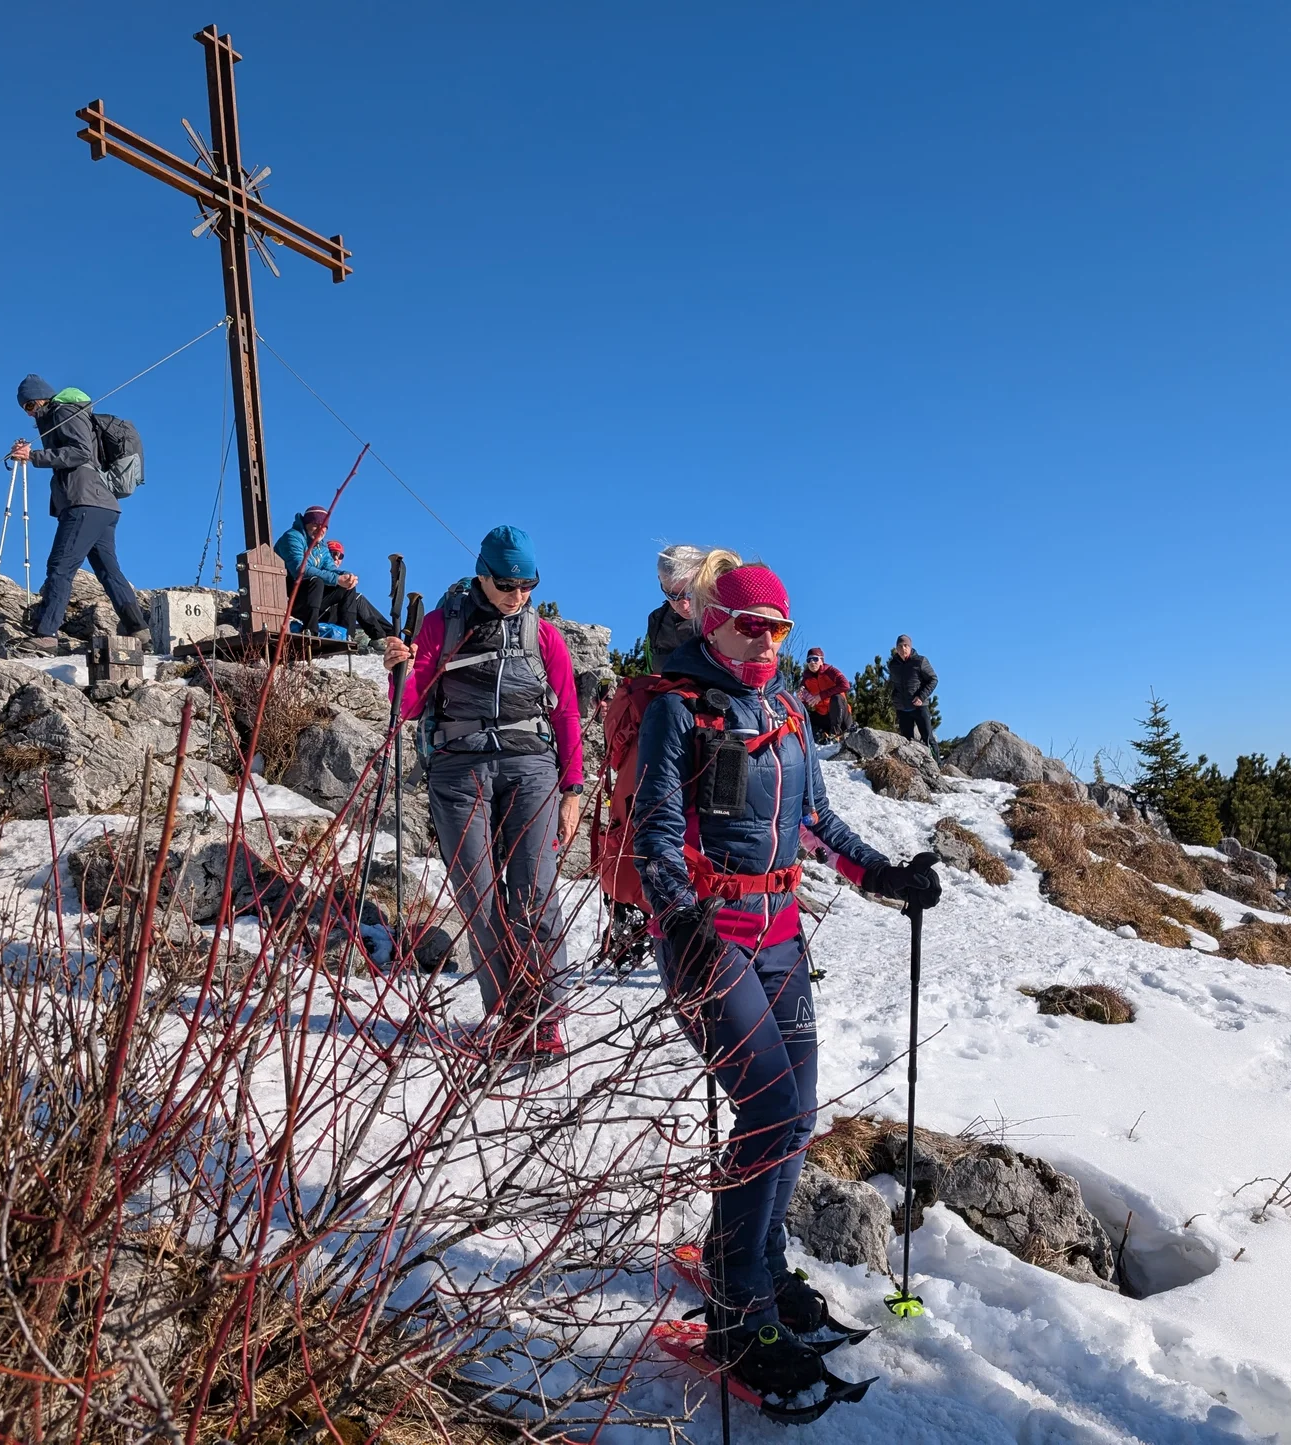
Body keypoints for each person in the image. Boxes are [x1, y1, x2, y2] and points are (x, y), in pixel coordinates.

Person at [630, 549, 941, 1401]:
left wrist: (885, 875)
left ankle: (764, 1270)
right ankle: (735, 1308)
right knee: (766, 1107)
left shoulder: (790, 710)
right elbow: (653, 831)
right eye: (750, 625)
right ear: (713, 623)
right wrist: (675, 910)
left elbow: (818, 821)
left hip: (780, 934)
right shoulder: (678, 707)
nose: (766, 640)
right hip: (707, 937)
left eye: (779, 628)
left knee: (796, 1111)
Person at [383, 524, 582, 1062]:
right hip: (458, 768)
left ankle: (543, 1018)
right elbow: (408, 706)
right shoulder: (441, 624)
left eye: (527, 586)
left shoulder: (543, 635)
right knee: (478, 894)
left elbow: (565, 711)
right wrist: (400, 671)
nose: (517, 596)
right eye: (505, 585)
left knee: (534, 891)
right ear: (482, 576)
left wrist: (573, 789)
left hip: (530, 767)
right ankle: (507, 1012)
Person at [8, 375, 146, 654]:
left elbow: (80, 452)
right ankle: (139, 630)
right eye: (26, 409)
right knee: (108, 571)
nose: (30, 413)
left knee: (60, 567)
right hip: (101, 505)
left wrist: (33, 457)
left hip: (84, 503)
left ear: (39, 399)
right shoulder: (61, 415)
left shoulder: (64, 411)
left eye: (29, 406)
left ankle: (47, 634)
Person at [273, 505, 394, 642]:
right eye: (315, 524)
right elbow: (300, 570)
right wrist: (337, 579)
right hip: (288, 597)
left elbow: (331, 568)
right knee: (316, 580)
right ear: (306, 524)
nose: (320, 530)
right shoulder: (293, 537)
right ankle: (310, 631)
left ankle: (345, 635)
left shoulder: (321, 546)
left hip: (310, 597)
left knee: (348, 588)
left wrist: (348, 576)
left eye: (324, 526)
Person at [642, 543, 702, 671]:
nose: (685, 606)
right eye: (672, 596)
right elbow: (650, 672)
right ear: (660, 580)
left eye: (691, 593)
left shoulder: (727, 617)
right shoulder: (657, 621)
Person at [887, 633, 938, 749]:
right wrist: (894, 698)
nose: (903, 649)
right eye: (900, 646)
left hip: (919, 707)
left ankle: (938, 766)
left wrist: (921, 696)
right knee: (906, 741)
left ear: (910, 647)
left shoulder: (920, 661)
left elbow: (933, 679)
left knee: (928, 739)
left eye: (906, 646)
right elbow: (893, 684)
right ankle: (909, 767)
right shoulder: (893, 665)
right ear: (896, 648)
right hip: (902, 709)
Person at [798, 647, 851, 743]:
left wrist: (821, 696)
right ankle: (813, 738)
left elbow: (845, 685)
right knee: (801, 711)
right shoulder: (806, 680)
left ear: (821, 660)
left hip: (841, 716)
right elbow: (803, 700)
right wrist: (803, 699)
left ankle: (835, 735)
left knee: (837, 698)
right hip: (823, 718)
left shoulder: (831, 671)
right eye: (809, 660)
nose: (812, 662)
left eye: (815, 659)